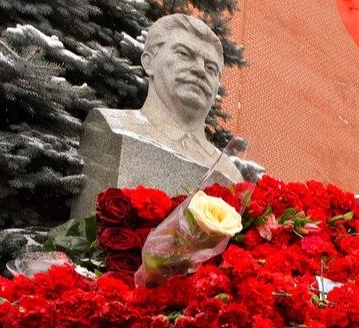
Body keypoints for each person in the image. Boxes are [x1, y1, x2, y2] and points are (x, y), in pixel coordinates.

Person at [73, 14, 242, 217]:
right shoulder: (111, 126)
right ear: (149, 62)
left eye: (211, 68)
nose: (200, 70)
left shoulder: (230, 173)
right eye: (185, 54)